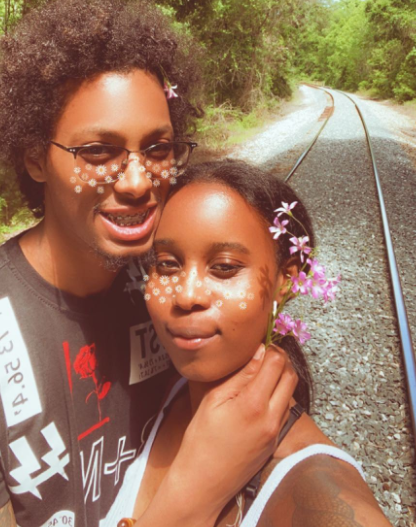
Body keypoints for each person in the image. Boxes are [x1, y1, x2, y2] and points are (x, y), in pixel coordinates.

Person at [0, 0, 298, 527]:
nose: (137, 182)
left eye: (157, 148)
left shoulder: (170, 282)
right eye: (98, 152)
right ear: (36, 158)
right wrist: (188, 502)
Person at [104, 159, 393, 527]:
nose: (186, 295)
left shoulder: (317, 492)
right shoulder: (165, 394)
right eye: (167, 264)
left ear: (286, 280)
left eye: (224, 267)